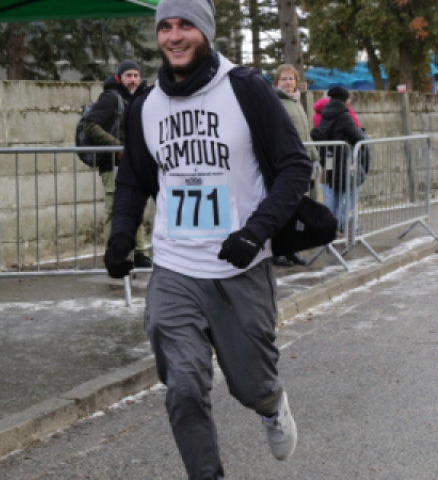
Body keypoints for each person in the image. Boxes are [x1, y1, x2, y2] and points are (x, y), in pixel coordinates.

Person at [104, 0, 312, 478]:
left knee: (251, 385)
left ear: (207, 30)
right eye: (165, 27)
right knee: (183, 387)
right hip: (175, 267)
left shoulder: (244, 89)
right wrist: (121, 235)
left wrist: (255, 231)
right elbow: (133, 180)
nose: (174, 36)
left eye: (186, 25)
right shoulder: (145, 105)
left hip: (241, 267)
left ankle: (271, 405)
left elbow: (295, 166)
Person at [83, 59, 152, 268]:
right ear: (119, 77)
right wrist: (117, 147)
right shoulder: (111, 98)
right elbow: (90, 124)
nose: (133, 80)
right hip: (112, 164)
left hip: (133, 164)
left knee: (135, 210)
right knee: (115, 211)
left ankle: (140, 254)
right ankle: (113, 256)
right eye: (128, 75)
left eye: (136, 75)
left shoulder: (136, 99)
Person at [273, 64, 323, 267]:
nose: (288, 83)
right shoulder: (275, 102)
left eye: (291, 79)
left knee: (297, 210)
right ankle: (278, 250)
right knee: (284, 209)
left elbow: (306, 135)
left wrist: (315, 158)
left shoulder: (297, 102)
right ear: (276, 82)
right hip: (287, 164)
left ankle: (291, 249)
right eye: (283, 79)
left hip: (302, 162)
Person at [311, 86, 364, 232]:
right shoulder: (344, 115)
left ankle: (330, 228)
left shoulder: (325, 114)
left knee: (332, 193)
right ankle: (348, 228)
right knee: (351, 193)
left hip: (329, 159)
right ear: (344, 99)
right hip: (345, 160)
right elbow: (357, 137)